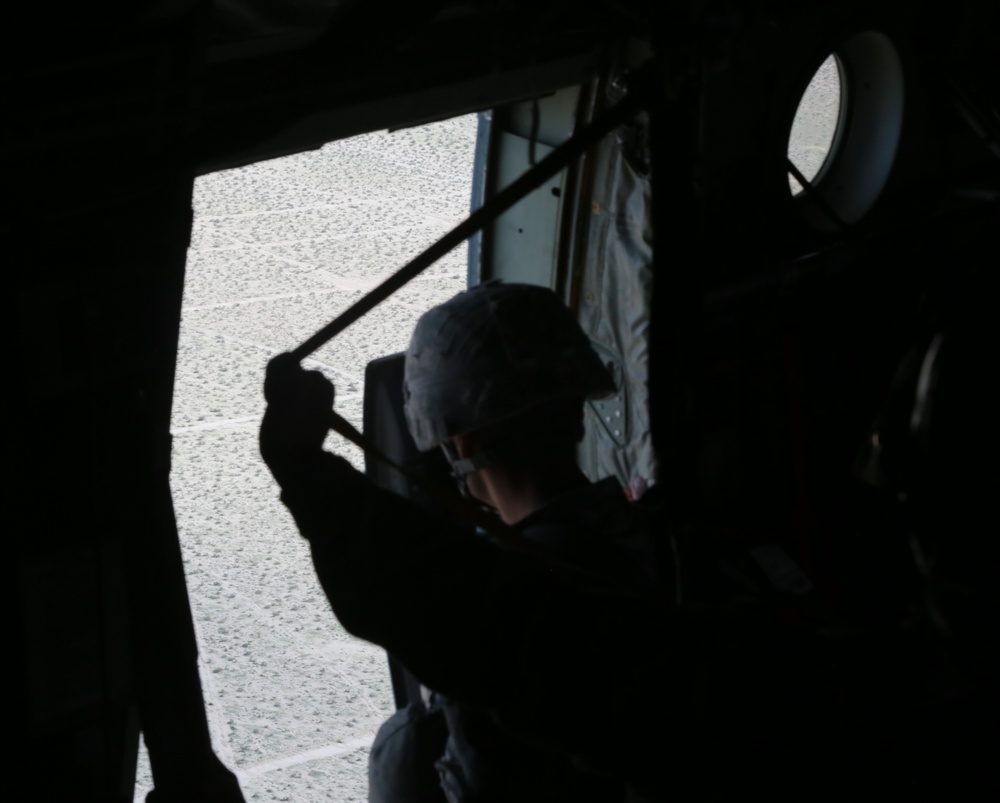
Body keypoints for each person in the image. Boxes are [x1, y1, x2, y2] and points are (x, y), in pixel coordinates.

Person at [261, 283, 665, 802]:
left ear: (460, 443)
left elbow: (443, 600)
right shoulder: (668, 539)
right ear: (576, 411)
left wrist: (300, 466)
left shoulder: (522, 618)